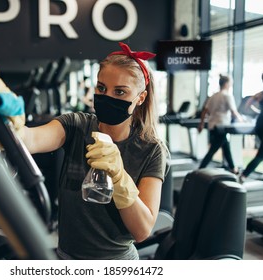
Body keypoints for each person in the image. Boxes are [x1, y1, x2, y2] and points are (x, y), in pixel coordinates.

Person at [16, 42, 168, 259]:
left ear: (140, 98)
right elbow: (30, 139)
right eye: (102, 88)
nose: (108, 97)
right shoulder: (76, 125)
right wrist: (9, 126)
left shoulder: (152, 150)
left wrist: (119, 177)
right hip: (67, 256)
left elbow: (142, 230)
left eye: (120, 92)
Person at [198, 74, 243, 174]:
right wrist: (242, 121)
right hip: (221, 126)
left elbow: (205, 111)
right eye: (231, 83)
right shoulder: (227, 95)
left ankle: (233, 168)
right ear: (227, 83)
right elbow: (233, 111)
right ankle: (200, 169)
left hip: (212, 125)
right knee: (213, 149)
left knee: (225, 145)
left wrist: (201, 124)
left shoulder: (214, 95)